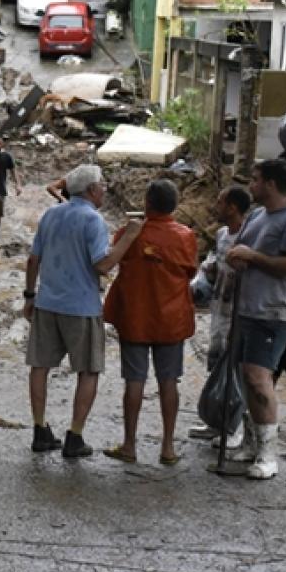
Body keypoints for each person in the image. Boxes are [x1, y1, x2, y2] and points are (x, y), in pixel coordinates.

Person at [24, 164, 142, 457]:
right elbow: (102, 265)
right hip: (81, 306)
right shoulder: (93, 220)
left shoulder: (50, 214)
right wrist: (129, 238)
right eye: (102, 185)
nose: (105, 189)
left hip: (47, 302)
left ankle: (40, 429)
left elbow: (33, 260)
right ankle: (74, 436)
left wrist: (29, 296)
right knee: (88, 370)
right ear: (90, 189)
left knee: (40, 366)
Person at [101, 180, 198, 464]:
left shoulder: (129, 234)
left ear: (147, 203)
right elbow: (190, 273)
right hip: (171, 320)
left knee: (134, 381)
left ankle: (129, 445)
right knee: (169, 381)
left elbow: (113, 260)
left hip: (135, 317)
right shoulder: (186, 236)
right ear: (175, 205)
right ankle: (167, 447)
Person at [224, 158, 286, 480]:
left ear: (270, 183)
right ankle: (252, 444)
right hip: (248, 310)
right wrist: (236, 258)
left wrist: (253, 257)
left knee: (258, 377)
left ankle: (269, 454)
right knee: (247, 380)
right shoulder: (256, 216)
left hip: (275, 312)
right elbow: (243, 249)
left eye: (254, 180)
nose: (250, 185)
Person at [188, 185, 252, 445]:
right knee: (216, 365)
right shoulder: (222, 234)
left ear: (233, 207)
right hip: (219, 311)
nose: (215, 206)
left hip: (240, 312)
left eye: (220, 201)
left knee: (236, 369)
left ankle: (236, 427)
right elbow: (215, 266)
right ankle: (217, 421)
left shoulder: (249, 237)